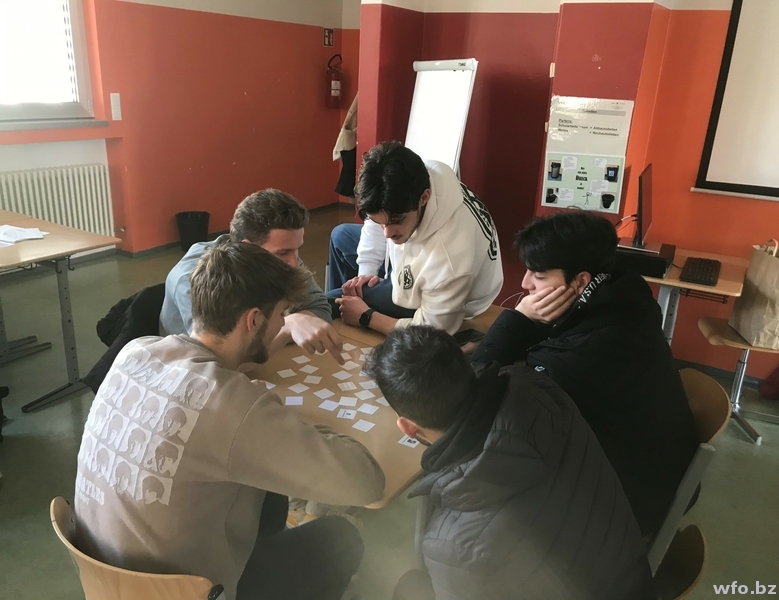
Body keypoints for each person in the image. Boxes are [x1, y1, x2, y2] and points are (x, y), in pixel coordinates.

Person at [75, 242, 385, 600]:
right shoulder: (234, 405)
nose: (283, 323)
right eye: (281, 314)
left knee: (267, 495)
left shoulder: (136, 351)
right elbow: (367, 483)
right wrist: (278, 417)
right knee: (341, 537)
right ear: (253, 320)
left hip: (105, 582)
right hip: (189, 593)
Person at [365, 326, 656, 600]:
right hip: (631, 579)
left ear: (407, 427)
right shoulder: (540, 389)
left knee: (408, 586)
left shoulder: (452, 547)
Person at [470, 211, 698, 537]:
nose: (525, 284)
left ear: (580, 281)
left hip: (623, 513)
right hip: (658, 477)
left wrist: (517, 319)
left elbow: (476, 395)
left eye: (539, 275)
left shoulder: (576, 359)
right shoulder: (627, 295)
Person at [326, 141, 503, 335]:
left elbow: (432, 331)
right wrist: (365, 275)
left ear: (424, 198)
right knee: (341, 236)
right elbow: (379, 219)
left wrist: (366, 316)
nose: (387, 234)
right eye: (381, 223)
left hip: (449, 297)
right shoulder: (417, 177)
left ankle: (338, 313)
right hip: (415, 254)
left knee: (331, 300)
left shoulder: (450, 259)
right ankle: (343, 315)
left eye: (397, 221)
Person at [160, 188, 344, 363]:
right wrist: (289, 326)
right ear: (248, 248)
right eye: (283, 253)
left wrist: (299, 321)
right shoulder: (199, 277)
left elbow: (319, 307)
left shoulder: (280, 256)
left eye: (297, 250)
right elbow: (219, 358)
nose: (294, 263)